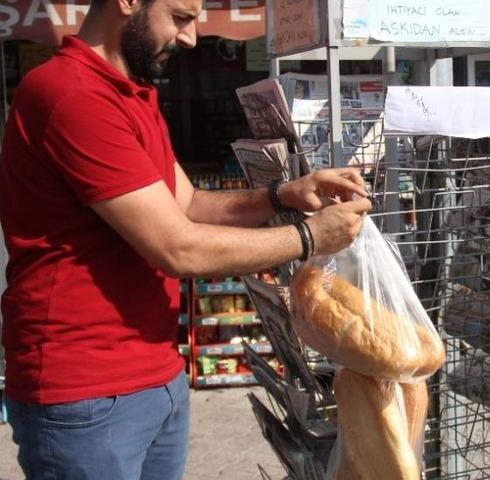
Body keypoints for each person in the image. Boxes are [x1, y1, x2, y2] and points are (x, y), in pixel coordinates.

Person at [0, 0, 372, 478]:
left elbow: (189, 205)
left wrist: (285, 195)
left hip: (154, 370)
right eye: (180, 17)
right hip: (85, 391)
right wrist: (309, 238)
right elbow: (178, 246)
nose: (192, 38)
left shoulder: (131, 93)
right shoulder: (69, 92)